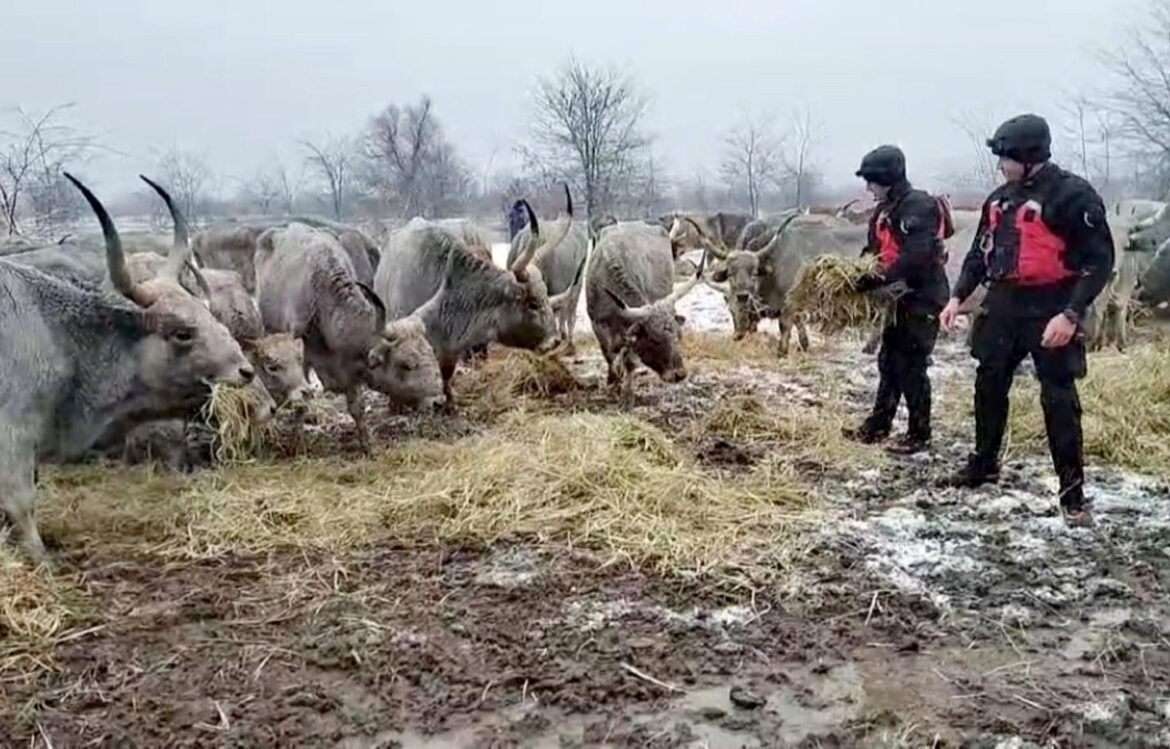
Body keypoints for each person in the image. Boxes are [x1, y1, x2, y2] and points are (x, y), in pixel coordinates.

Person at [940, 114, 1114, 525]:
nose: (1000, 165)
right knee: (988, 381)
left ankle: (1073, 493)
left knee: (1058, 397)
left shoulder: (1073, 196)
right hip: (1005, 302)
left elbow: (1099, 260)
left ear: (1028, 156)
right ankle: (984, 463)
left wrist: (1071, 315)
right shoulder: (1000, 199)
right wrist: (957, 297)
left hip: (1053, 303)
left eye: (1005, 157)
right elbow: (979, 254)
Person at [844, 145, 951, 455]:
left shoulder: (918, 205)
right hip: (896, 299)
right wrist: (858, 270)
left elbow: (916, 255)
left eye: (871, 181)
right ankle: (879, 425)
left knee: (911, 364)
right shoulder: (884, 210)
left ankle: (920, 433)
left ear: (886, 178)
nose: (868, 188)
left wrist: (879, 278)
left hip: (921, 297)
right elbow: (873, 249)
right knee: (889, 362)